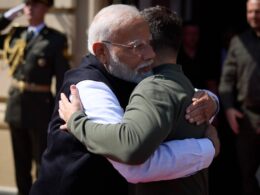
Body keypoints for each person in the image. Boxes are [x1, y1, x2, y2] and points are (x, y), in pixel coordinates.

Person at [31, 4, 219, 195]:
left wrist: (211, 101)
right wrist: (206, 148)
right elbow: (133, 165)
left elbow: (178, 93)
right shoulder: (87, 88)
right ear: (102, 52)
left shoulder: (127, 69)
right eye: (137, 46)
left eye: (149, 43)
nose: (150, 55)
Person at [0, 0, 70, 194]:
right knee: (20, 165)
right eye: (27, 4)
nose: (29, 8)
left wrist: (59, 114)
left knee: (42, 162)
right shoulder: (16, 34)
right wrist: (8, 16)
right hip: (16, 107)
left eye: (35, 4)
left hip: (40, 109)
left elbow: (63, 78)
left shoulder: (56, 39)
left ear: (46, 8)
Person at [218, 0, 260, 195]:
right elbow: (226, 81)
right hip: (246, 119)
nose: (253, 16)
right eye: (250, 11)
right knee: (247, 175)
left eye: (257, 11)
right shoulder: (237, 43)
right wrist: (228, 108)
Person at [177, 21, 218, 94]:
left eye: (195, 34)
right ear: (183, 35)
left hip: (201, 98)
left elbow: (211, 83)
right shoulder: (176, 55)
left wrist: (213, 99)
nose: (192, 37)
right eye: (189, 34)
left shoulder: (205, 56)